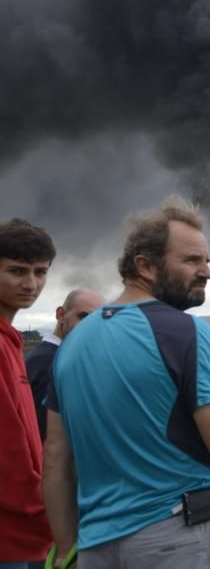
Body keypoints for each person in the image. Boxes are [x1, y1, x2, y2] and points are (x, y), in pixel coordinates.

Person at [43, 197, 210, 568]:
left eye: (207, 260)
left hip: (96, 547)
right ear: (146, 266)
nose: (207, 272)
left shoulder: (72, 344)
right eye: (191, 260)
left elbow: (56, 458)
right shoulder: (186, 332)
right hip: (179, 537)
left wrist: (65, 550)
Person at [0, 218, 56, 568]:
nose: (31, 284)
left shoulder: (10, 340)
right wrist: (48, 515)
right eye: (17, 271)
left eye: (40, 272)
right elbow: (8, 449)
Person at [24, 287, 104, 441]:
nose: (90, 326)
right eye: (83, 316)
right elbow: (44, 433)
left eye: (97, 319)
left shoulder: (48, 357)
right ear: (61, 315)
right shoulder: (51, 362)